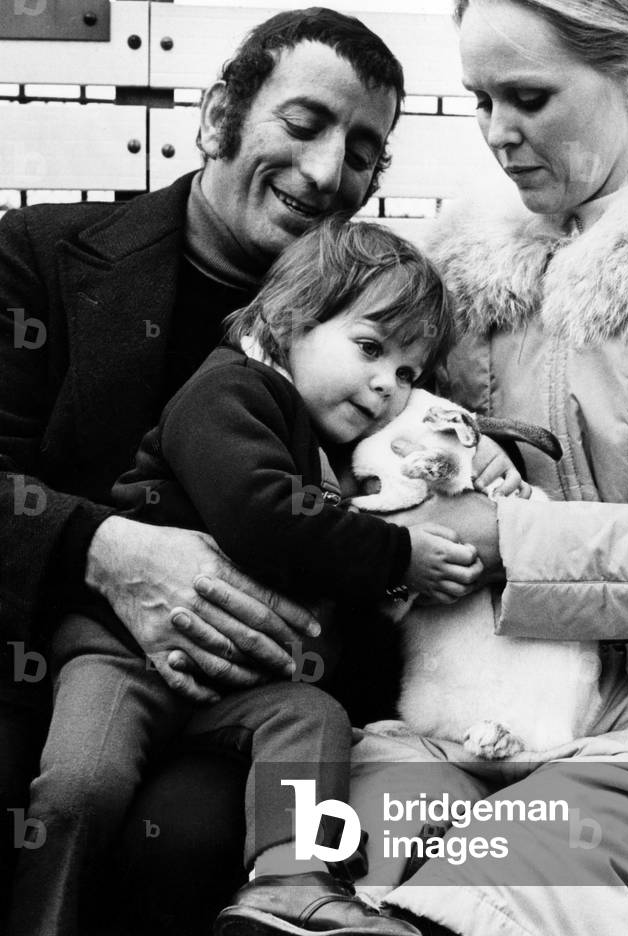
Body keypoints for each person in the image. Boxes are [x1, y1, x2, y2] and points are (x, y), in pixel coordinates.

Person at [343, 0, 628, 936]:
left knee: (517, 863)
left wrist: (501, 537)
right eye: (479, 99)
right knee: (331, 826)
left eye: (528, 98)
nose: (497, 131)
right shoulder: (457, 275)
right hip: (490, 700)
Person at [0, 7, 407, 932]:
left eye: (361, 152)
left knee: (187, 835)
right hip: (43, 668)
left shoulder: (364, 338)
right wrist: (106, 548)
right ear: (221, 113)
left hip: (257, 704)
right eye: (302, 127)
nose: (324, 172)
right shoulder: (37, 256)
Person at [9, 216, 487, 936]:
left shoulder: (321, 440)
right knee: (82, 784)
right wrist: (398, 553)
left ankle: (292, 881)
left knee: (310, 717)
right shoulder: (229, 392)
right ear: (291, 320)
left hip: (230, 683)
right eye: (368, 348)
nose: (386, 384)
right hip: (125, 656)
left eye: (407, 373)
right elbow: (260, 516)